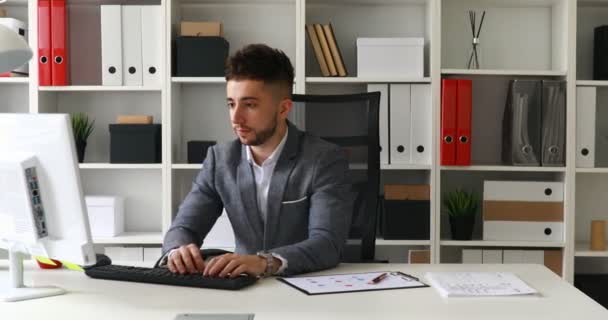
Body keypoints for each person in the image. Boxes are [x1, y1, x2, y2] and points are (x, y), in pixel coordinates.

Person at [161, 44, 353, 278]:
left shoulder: (323, 159)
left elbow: (327, 244)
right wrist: (176, 250)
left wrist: (265, 262)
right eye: (231, 104)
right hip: (241, 288)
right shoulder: (219, 160)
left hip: (305, 286)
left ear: (283, 109)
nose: (236, 118)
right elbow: (183, 228)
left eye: (249, 105)